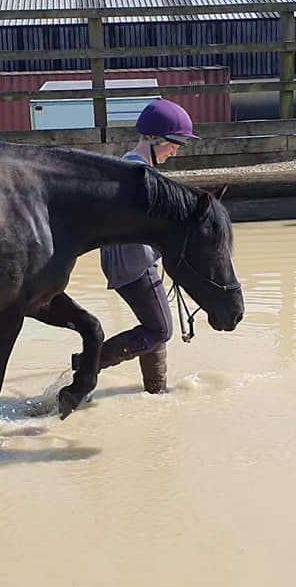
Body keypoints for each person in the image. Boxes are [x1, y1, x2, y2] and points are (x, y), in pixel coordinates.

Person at [72, 98, 199, 394]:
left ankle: (156, 392)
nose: (175, 151)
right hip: (133, 264)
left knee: (155, 327)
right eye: (173, 143)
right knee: (161, 329)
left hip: (128, 261)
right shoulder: (139, 175)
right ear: (153, 139)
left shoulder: (130, 166)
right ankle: (87, 363)